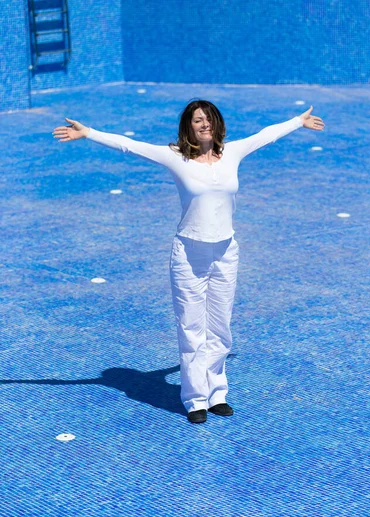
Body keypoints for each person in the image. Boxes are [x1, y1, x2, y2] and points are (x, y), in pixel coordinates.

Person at [53, 99, 324, 424]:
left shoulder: (232, 153)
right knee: (192, 327)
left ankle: (217, 394)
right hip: (188, 254)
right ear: (188, 126)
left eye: (208, 118)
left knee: (220, 326)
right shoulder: (176, 156)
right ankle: (195, 399)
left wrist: (297, 121)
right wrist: (89, 133)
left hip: (225, 251)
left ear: (217, 123)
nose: (204, 124)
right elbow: (130, 146)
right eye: (197, 120)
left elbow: (266, 135)